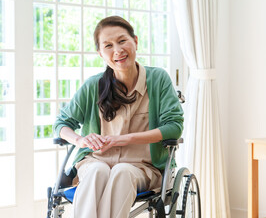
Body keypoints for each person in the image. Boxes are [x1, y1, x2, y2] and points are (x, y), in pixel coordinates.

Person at [53, 16, 184, 218]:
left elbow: (174, 126)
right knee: (97, 171)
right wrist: (80, 140)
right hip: (95, 161)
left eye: (122, 41)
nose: (118, 50)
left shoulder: (158, 79)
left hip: (142, 168)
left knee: (122, 171)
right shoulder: (93, 86)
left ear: (135, 41)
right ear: (100, 53)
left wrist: (124, 139)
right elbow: (61, 124)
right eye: (108, 45)